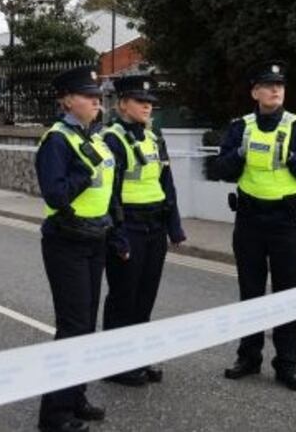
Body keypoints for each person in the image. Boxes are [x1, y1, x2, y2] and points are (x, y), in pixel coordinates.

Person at [211, 59, 296, 391]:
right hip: (249, 221)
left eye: (280, 85)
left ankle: (287, 364)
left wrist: (290, 156)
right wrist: (240, 154)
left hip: (286, 223)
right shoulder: (240, 127)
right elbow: (221, 170)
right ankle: (249, 357)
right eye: (268, 85)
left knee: (288, 295)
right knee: (251, 292)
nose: (275, 90)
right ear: (255, 92)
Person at [36, 65, 116, 432]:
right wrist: (87, 172)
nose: (96, 102)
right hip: (66, 239)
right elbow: (55, 192)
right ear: (68, 100)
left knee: (86, 325)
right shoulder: (57, 140)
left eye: (98, 97)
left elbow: (108, 191)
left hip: (95, 238)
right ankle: (54, 416)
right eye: (88, 96)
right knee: (72, 327)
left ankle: (76, 397)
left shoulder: (96, 137)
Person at [100, 75, 186, 387]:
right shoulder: (112, 139)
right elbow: (108, 192)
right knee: (124, 297)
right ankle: (114, 363)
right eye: (140, 101)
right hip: (129, 226)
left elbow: (167, 184)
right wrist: (117, 234)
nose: (147, 106)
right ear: (122, 104)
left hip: (155, 227)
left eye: (150, 102)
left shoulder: (154, 139)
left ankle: (136, 357)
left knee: (145, 297)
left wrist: (174, 227)